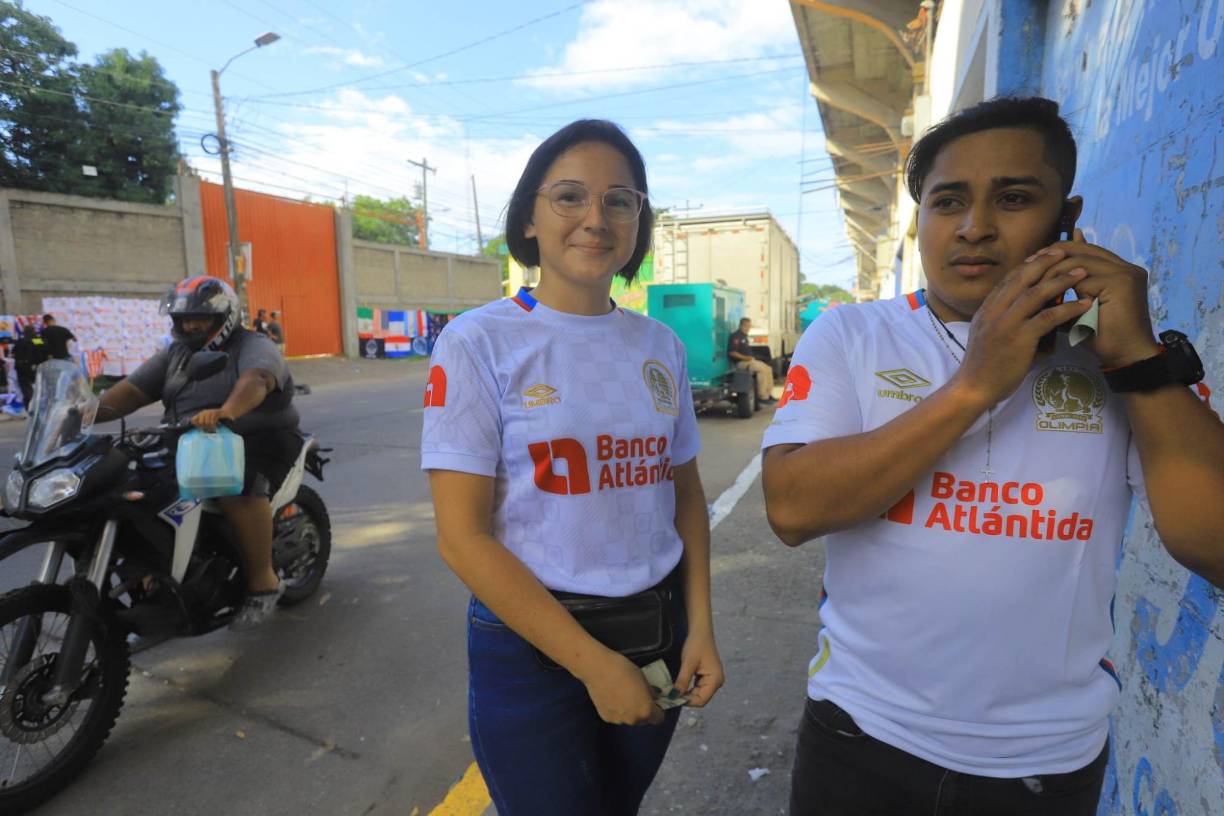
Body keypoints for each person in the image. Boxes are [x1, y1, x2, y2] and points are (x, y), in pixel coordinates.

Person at [761, 96, 1224, 815]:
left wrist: (1137, 356)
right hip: (859, 733)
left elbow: (1213, 542)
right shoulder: (854, 335)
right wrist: (975, 384)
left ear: (1064, 218)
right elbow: (792, 507)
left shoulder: (1116, 355)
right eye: (949, 202)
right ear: (922, 224)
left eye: (1013, 198)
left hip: (1044, 763)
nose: (975, 227)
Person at [422, 119, 724, 815]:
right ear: (529, 217)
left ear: (637, 222)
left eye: (620, 201)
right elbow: (461, 537)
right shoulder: (478, 342)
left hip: (655, 632)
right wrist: (594, 666)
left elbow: (685, 498)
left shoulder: (660, 345)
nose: (596, 218)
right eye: (569, 198)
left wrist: (700, 626)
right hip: (531, 650)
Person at [95, 275, 301, 631]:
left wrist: (227, 411)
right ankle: (158, 578)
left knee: (232, 487)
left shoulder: (253, 345)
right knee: (131, 490)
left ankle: (262, 581)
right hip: (191, 438)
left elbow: (257, 379)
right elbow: (130, 391)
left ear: (225, 318)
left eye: (199, 319)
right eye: (183, 319)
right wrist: (82, 413)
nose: (189, 325)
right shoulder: (175, 355)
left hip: (256, 436)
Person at [727, 317, 776, 405]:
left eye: (749, 326)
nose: (748, 328)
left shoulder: (744, 337)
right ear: (741, 326)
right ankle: (762, 396)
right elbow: (732, 352)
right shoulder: (736, 336)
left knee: (768, 369)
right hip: (741, 363)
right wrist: (746, 358)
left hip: (749, 361)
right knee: (762, 370)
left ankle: (769, 394)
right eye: (746, 326)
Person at [12, 325, 47, 410]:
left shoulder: (20, 341)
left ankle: (29, 406)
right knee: (39, 388)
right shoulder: (37, 340)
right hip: (35, 368)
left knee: (25, 388)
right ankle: (39, 405)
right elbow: (43, 351)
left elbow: (13, 353)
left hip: (21, 368)